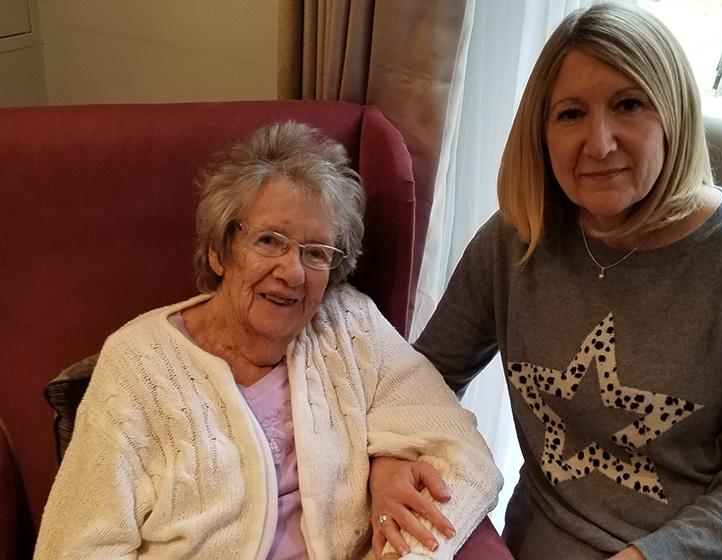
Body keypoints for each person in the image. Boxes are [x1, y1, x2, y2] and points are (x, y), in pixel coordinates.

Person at [369, 3, 722, 559]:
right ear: (541, 134)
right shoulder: (517, 239)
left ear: (673, 114)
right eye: (570, 114)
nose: (600, 143)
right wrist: (390, 456)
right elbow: (427, 378)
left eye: (628, 105)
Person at [34, 121, 502, 559]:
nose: (293, 271)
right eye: (270, 241)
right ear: (219, 251)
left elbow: (466, 456)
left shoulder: (349, 326)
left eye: (316, 252)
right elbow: (75, 545)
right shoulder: (136, 366)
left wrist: (401, 530)